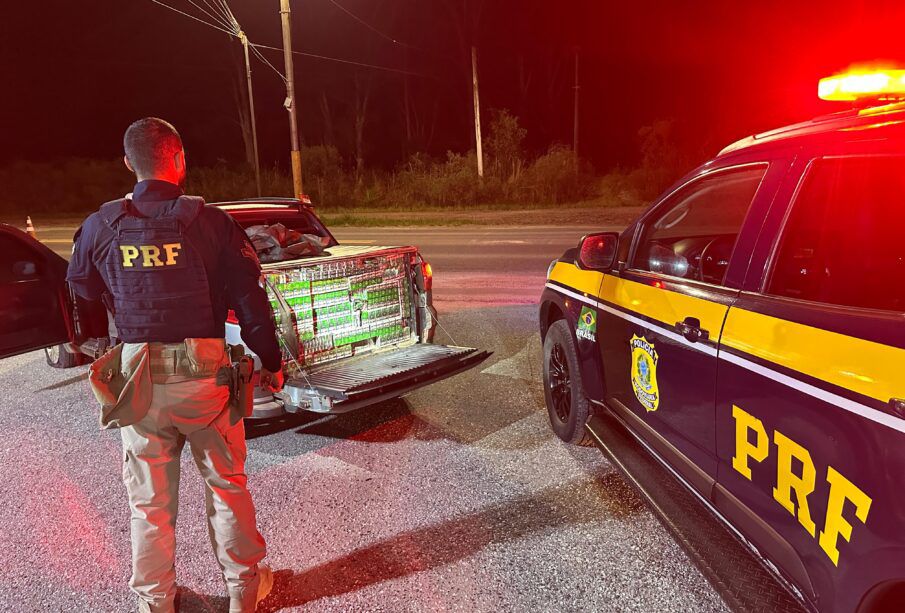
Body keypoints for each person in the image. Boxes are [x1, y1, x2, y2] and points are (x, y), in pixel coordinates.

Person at [66, 117, 284, 613]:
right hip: (205, 376)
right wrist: (269, 360)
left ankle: (156, 602)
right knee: (227, 486)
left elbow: (81, 292)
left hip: (138, 378)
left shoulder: (101, 225)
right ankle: (244, 592)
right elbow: (251, 301)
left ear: (129, 163)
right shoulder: (211, 223)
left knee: (149, 503)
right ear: (180, 159)